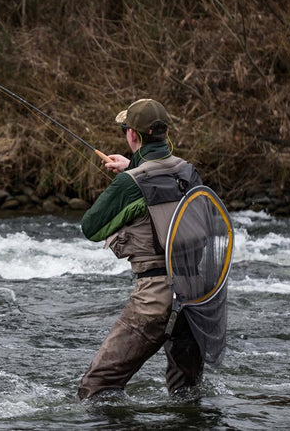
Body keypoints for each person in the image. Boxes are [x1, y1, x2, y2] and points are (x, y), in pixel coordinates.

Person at [77, 98, 205, 401]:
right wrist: (132, 166)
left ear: (133, 135)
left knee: (97, 387)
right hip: (197, 294)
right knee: (186, 393)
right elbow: (160, 180)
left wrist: (127, 178)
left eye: (125, 130)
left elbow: (91, 228)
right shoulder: (188, 172)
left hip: (156, 299)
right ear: (163, 133)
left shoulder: (129, 184)